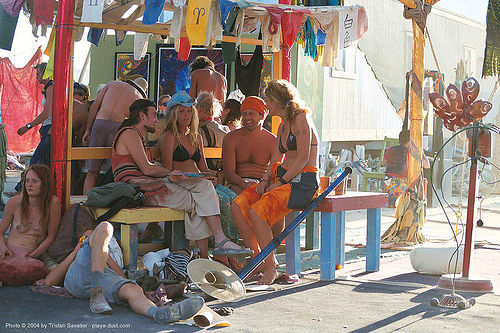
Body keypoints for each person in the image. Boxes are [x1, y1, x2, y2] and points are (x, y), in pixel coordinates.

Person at [111, 98, 251, 259]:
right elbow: (147, 168)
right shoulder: (129, 133)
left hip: (150, 186)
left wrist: (199, 175)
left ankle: (208, 252)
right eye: (154, 115)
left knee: (202, 196)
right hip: (137, 190)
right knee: (202, 196)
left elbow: (150, 169)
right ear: (142, 116)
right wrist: (170, 173)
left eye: (189, 111)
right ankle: (214, 246)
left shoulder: (139, 135)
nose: (157, 120)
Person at [231, 80, 320, 285]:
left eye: (268, 101)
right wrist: (264, 180)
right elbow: (276, 158)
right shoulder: (283, 123)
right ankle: (259, 259)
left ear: (276, 100)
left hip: (302, 182)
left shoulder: (301, 118)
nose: (266, 105)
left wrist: (280, 182)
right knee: (238, 205)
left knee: (257, 211)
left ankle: (270, 266)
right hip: (281, 178)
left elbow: (303, 158)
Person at [41, 221, 204, 321]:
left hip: (105, 277)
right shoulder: (85, 246)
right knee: (105, 226)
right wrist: (79, 248)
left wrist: (105, 255)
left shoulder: (112, 250)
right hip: (80, 276)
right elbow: (49, 281)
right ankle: (96, 294)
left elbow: (121, 276)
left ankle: (157, 314)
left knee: (133, 289)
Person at [160, 91, 239, 247]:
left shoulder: (196, 137)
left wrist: (210, 176)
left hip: (198, 182)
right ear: (175, 114)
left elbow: (203, 167)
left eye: (189, 111)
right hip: (181, 182)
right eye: (181, 111)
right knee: (218, 198)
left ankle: (229, 246)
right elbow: (167, 170)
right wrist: (197, 178)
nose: (186, 115)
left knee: (232, 197)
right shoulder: (169, 136)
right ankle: (219, 242)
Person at [82, 78, 148, 194]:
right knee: (112, 172)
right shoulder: (138, 97)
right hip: (118, 127)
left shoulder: (112, 84)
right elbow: (136, 124)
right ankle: (109, 202)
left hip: (99, 123)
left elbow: (94, 106)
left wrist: (88, 130)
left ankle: (85, 202)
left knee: (92, 171)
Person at [0, 165, 60, 273]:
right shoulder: (14, 202)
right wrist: (3, 248)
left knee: (60, 273)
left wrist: (33, 256)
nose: (29, 185)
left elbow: (51, 236)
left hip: (36, 254)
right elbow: (0, 232)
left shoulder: (52, 203)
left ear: (44, 184)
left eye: (34, 181)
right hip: (10, 252)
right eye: (27, 181)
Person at [222, 96, 276, 195]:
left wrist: (263, 184)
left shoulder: (273, 141)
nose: (247, 118)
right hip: (238, 184)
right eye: (244, 114)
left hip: (263, 184)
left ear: (262, 116)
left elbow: (275, 171)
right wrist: (245, 184)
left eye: (251, 113)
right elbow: (229, 172)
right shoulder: (230, 138)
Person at [382, 129, 430, 207]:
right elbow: (427, 165)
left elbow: (383, 163)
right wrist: (422, 153)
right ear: (409, 141)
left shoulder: (390, 149)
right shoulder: (411, 153)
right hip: (401, 187)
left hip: (388, 184)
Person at [197, 92, 229, 172]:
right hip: (222, 173)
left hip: (204, 172)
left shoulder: (199, 131)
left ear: (199, 108)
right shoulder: (226, 130)